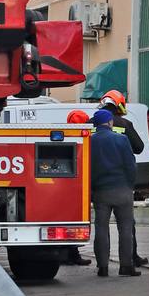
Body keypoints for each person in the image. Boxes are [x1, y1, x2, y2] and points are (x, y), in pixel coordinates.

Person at [101, 89, 149, 267]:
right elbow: (139, 148)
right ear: (119, 104)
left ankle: (102, 262)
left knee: (101, 225)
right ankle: (131, 258)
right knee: (127, 224)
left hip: (97, 184)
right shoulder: (125, 124)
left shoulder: (93, 124)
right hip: (122, 183)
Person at [89, 109, 139, 277]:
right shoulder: (122, 139)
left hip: (100, 192)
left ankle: (102, 267)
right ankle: (126, 266)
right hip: (122, 190)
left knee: (101, 228)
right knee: (125, 229)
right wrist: (130, 185)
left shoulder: (90, 141)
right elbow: (130, 165)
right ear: (110, 122)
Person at [60, 110, 94, 266]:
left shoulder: (65, 137)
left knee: (65, 218)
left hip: (65, 187)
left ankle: (68, 254)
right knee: (72, 219)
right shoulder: (84, 138)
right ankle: (72, 255)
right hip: (77, 187)